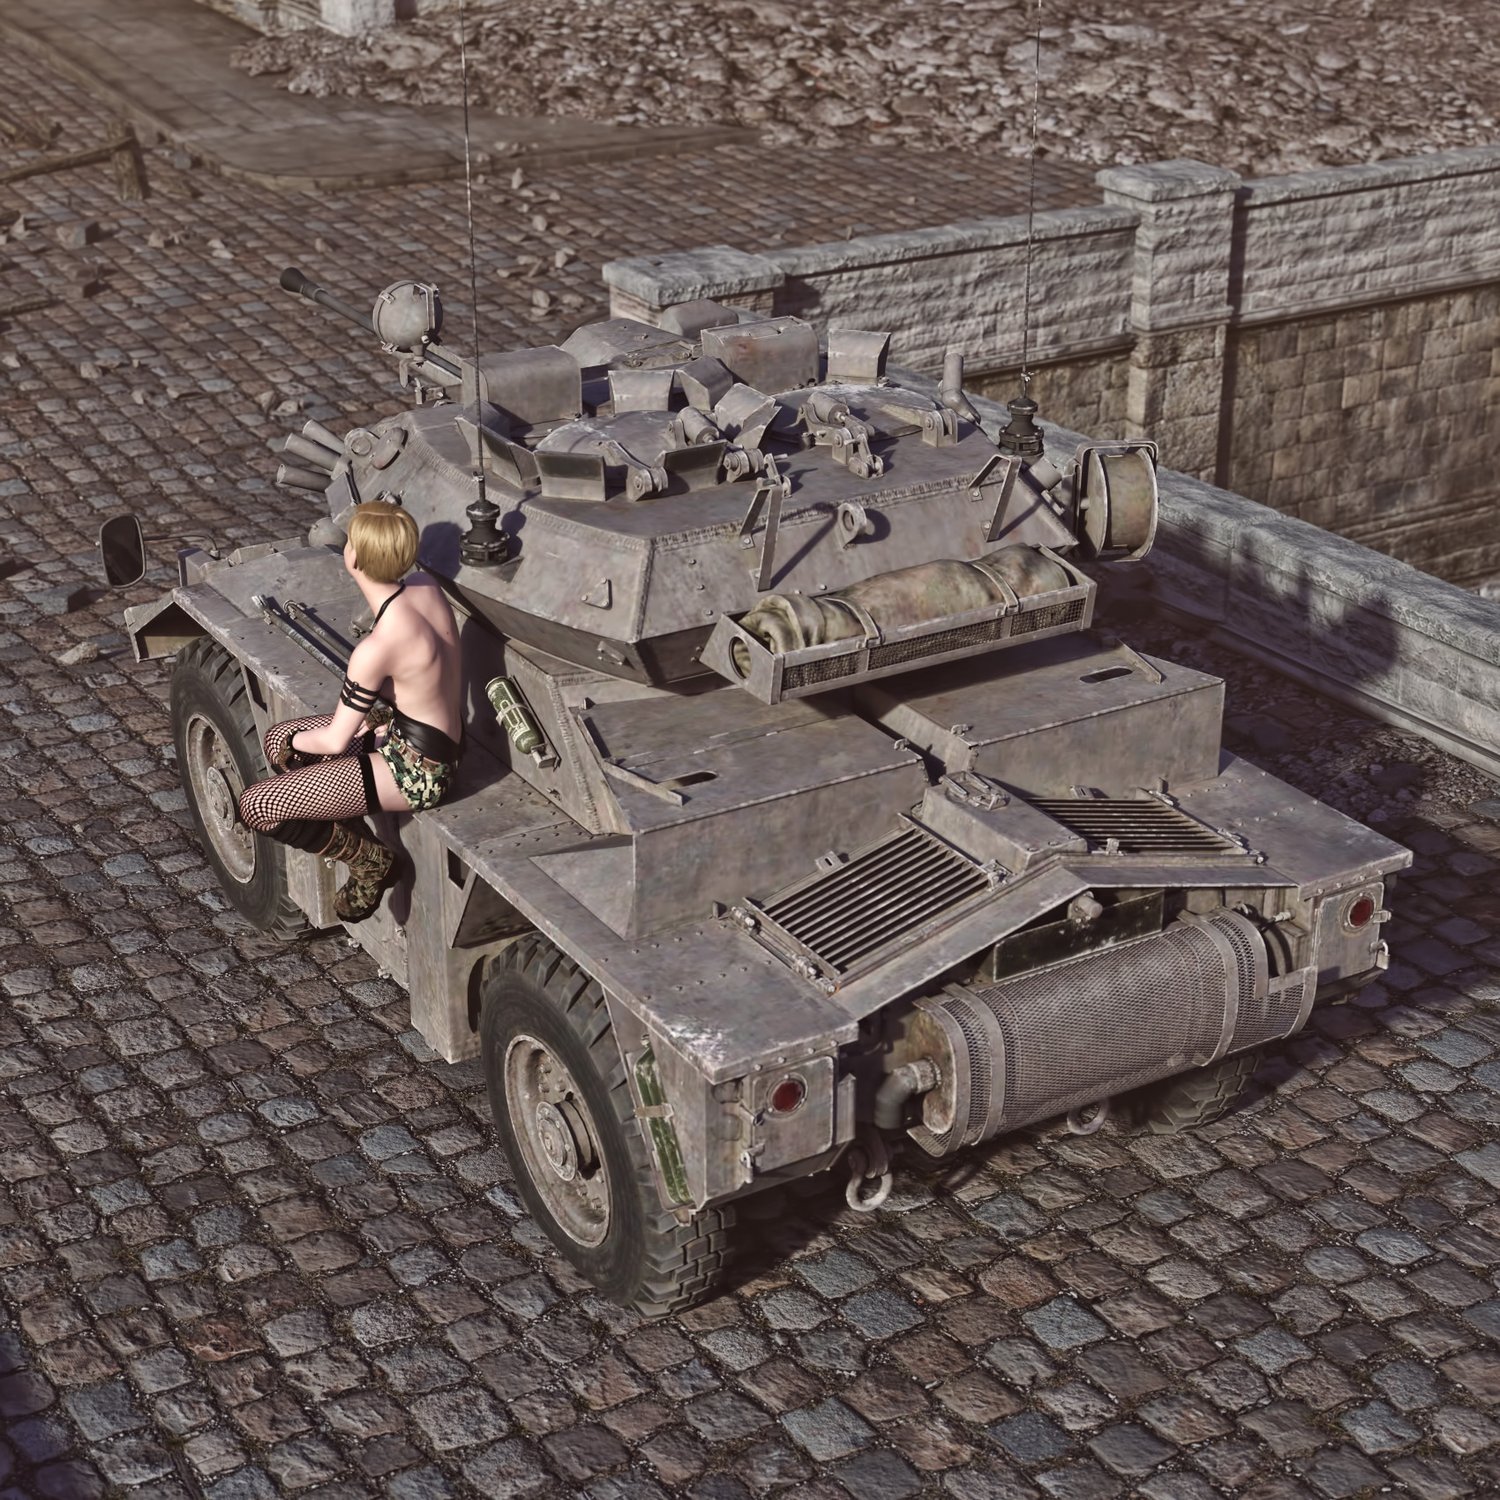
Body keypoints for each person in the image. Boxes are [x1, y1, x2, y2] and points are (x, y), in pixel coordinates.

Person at [236, 500, 464, 921]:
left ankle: (370, 862)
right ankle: (347, 822)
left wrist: (293, 741)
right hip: (428, 735)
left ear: (354, 557)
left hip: (417, 773)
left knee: (258, 805)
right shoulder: (424, 586)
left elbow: (335, 740)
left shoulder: (377, 648)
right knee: (277, 742)